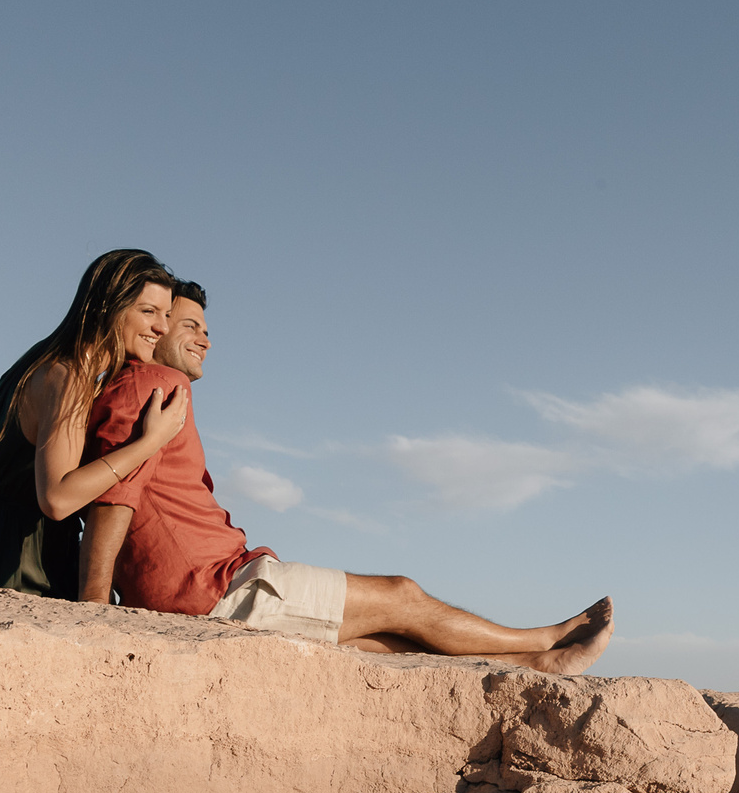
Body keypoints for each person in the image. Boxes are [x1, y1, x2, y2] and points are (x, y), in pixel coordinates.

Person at [80, 285, 613, 674]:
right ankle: (544, 637)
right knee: (402, 597)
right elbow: (115, 494)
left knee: (383, 639)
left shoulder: (147, 385)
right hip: (218, 589)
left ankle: (531, 663)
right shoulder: (154, 380)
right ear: (153, 325)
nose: (205, 340)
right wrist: (95, 603)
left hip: (216, 583)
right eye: (187, 325)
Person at [0, 250, 191, 596]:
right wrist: (150, 442)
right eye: (147, 311)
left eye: (166, 314)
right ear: (107, 307)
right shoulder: (70, 375)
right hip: (1, 561)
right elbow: (58, 499)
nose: (162, 327)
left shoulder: (47, 357)